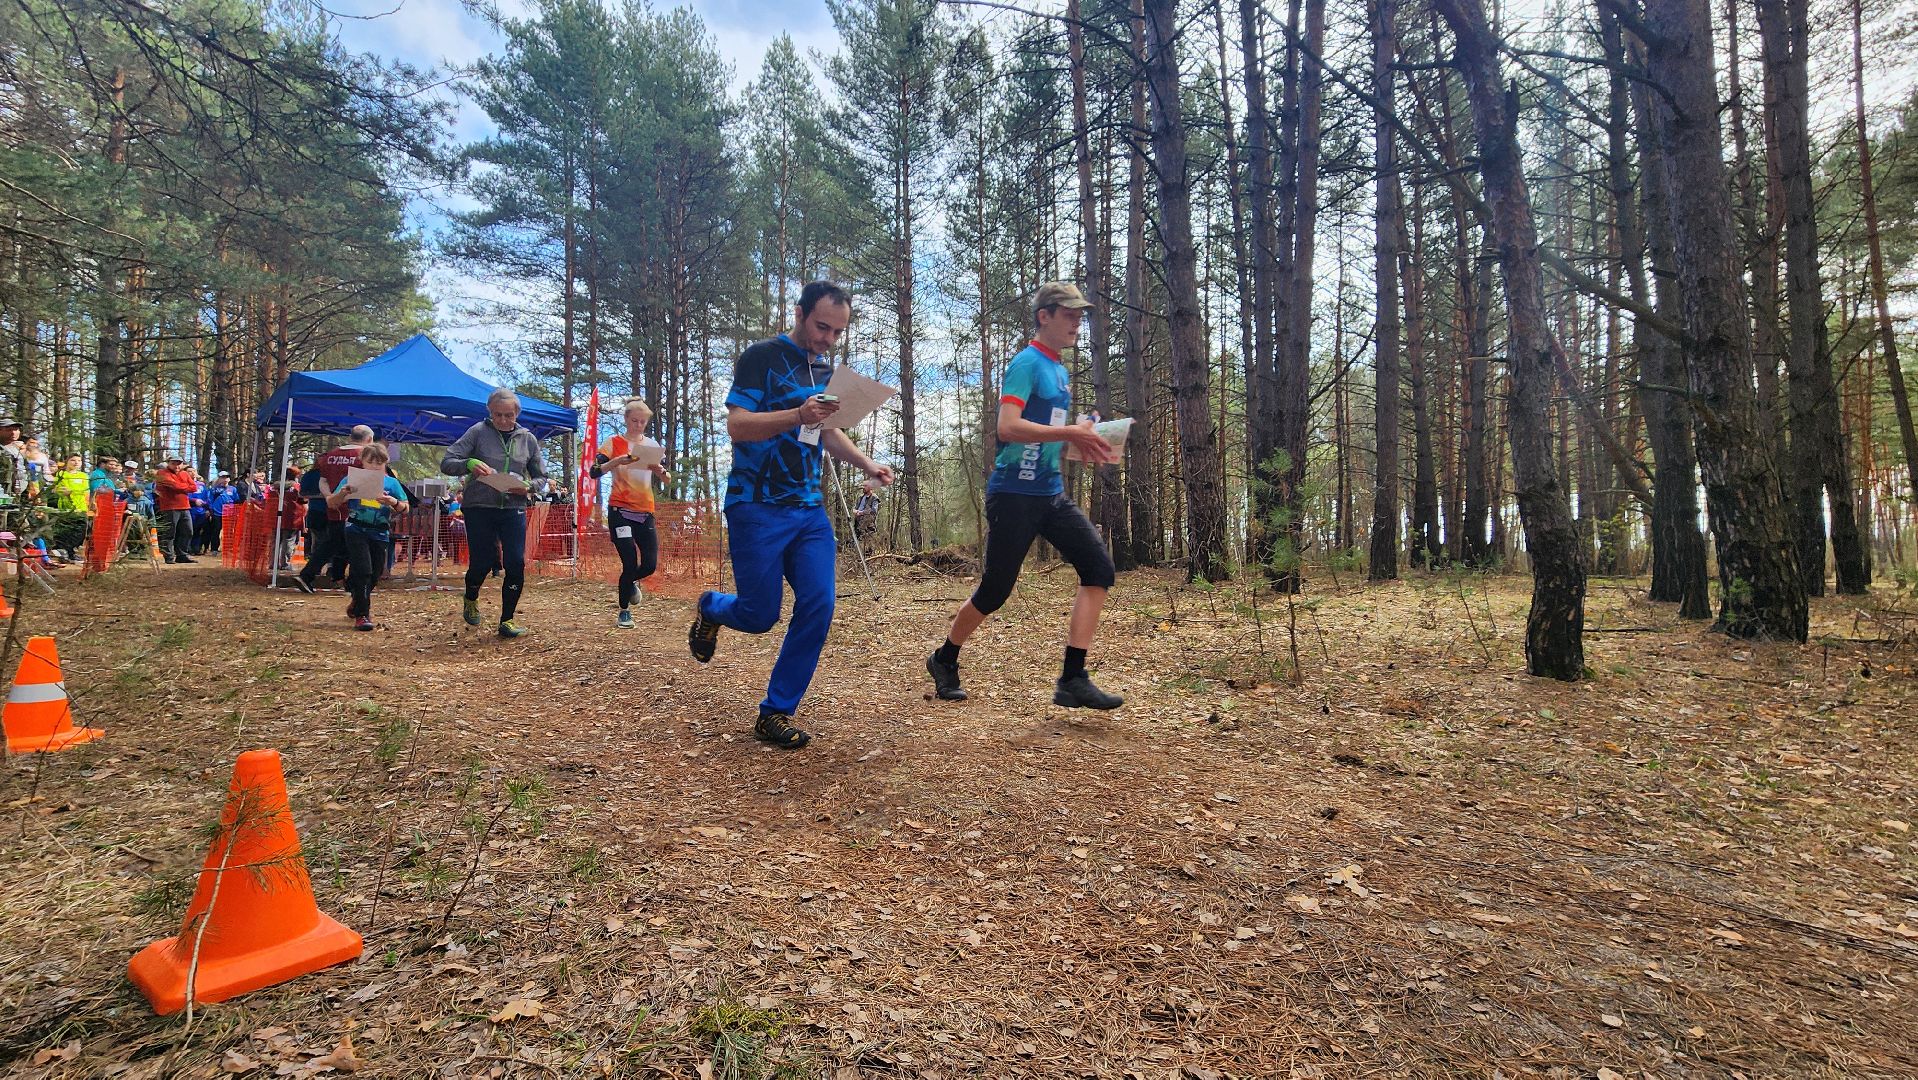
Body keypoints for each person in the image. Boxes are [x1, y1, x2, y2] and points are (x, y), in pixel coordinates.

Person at [686, 281, 893, 749]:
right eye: (822, 326)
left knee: (819, 605)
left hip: (807, 509)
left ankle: (775, 711)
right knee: (760, 615)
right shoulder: (761, 357)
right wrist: (797, 413)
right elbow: (738, 426)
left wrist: (866, 463)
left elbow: (825, 431)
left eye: (838, 332)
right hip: (755, 505)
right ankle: (711, 607)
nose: (828, 339)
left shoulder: (824, 369)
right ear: (799, 313)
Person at [927, 282, 1125, 711]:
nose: (1077, 323)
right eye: (1069, 314)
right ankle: (944, 659)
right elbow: (1008, 427)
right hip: (1013, 494)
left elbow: (1048, 431)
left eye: (1079, 316)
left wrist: (1083, 436)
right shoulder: (1026, 363)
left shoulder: (1059, 370)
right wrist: (1068, 430)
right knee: (995, 591)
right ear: (1044, 316)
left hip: (1050, 494)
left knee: (1098, 568)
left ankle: (1073, 677)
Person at [440, 389, 548, 638]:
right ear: (489, 412)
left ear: (517, 413)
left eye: (508, 415)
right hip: (479, 506)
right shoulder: (478, 432)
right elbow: (447, 462)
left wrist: (529, 488)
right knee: (484, 561)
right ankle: (471, 596)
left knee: (515, 562)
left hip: (513, 506)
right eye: (497, 415)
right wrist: (469, 464)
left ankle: (507, 620)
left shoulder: (527, 439)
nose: (502, 420)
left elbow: (541, 477)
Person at [590, 398, 671, 629]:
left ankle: (631, 582)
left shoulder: (652, 445)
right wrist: (616, 461)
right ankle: (624, 611)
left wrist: (660, 471)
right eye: (634, 420)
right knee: (628, 561)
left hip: (645, 511)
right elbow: (594, 472)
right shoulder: (613, 442)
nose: (638, 425)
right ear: (625, 419)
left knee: (650, 565)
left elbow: (668, 478)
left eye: (642, 422)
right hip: (620, 510)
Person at [326, 443, 409, 631]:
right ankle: (363, 615)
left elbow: (405, 507)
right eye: (370, 462)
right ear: (362, 462)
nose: (374, 466)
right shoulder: (351, 479)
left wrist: (392, 501)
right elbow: (332, 502)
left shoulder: (392, 483)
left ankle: (357, 600)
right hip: (356, 529)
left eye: (379, 463)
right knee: (363, 569)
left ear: (386, 463)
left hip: (380, 532)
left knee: (375, 573)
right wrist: (343, 493)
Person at [295, 426, 374, 593]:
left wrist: (329, 497)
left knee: (337, 543)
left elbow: (322, 481)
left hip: (334, 508)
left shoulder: (330, 456)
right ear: (368, 439)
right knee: (347, 545)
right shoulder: (365, 456)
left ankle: (336, 577)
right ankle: (310, 575)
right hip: (356, 509)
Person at [153, 458, 198, 563]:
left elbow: (193, 487)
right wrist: (184, 486)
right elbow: (173, 485)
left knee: (188, 531)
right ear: (168, 464)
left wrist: (180, 487)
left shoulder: (184, 474)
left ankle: (182, 555)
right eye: (173, 464)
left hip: (185, 506)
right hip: (169, 507)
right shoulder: (162, 472)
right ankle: (168, 556)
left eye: (179, 464)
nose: (176, 466)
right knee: (169, 533)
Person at [269, 466, 305, 571]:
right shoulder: (297, 487)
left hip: (275, 516)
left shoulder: (274, 486)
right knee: (289, 540)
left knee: (276, 540)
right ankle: (285, 563)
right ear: (296, 476)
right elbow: (303, 500)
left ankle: (272, 563)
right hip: (292, 517)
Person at [0, 419, 24, 507]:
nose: (14, 433)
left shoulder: (17, 448)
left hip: (17, 490)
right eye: (9, 430)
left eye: (16, 429)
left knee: (17, 516)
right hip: (3, 490)